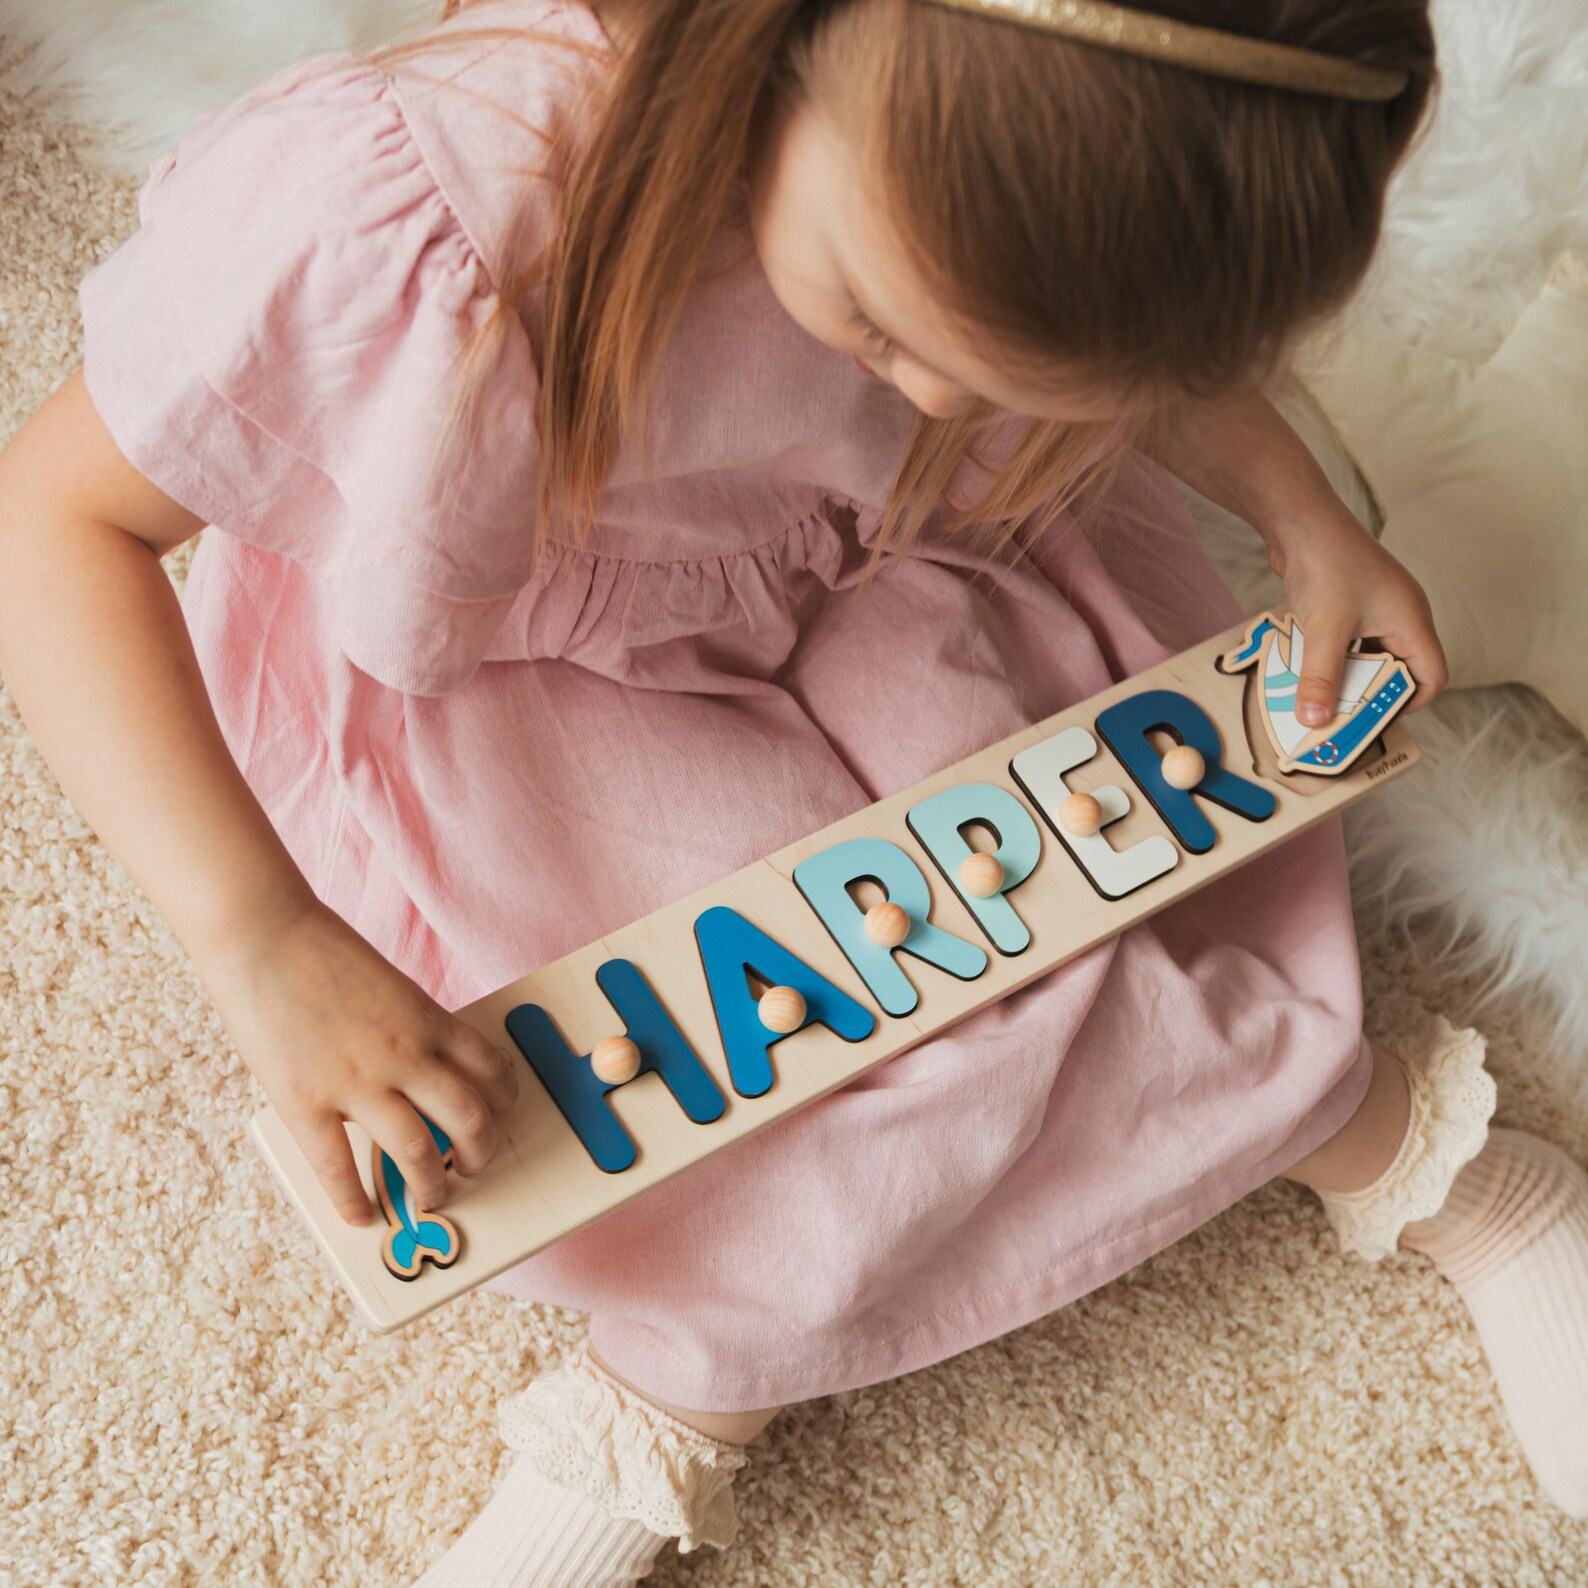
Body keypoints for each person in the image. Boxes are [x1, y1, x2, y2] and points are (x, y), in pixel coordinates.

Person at [0, 1, 1582, 1581]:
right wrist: (262, 936)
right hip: (531, 682)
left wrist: (1302, 510)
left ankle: (1440, 1163)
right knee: (685, 1076)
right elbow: (50, 525)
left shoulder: (1002, 241)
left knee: (1063, 917)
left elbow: (1126, 347)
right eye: (896, 328)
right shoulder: (428, 200)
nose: (954, 400)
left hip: (887, 559)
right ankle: (681, 1398)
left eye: (1010, 371)